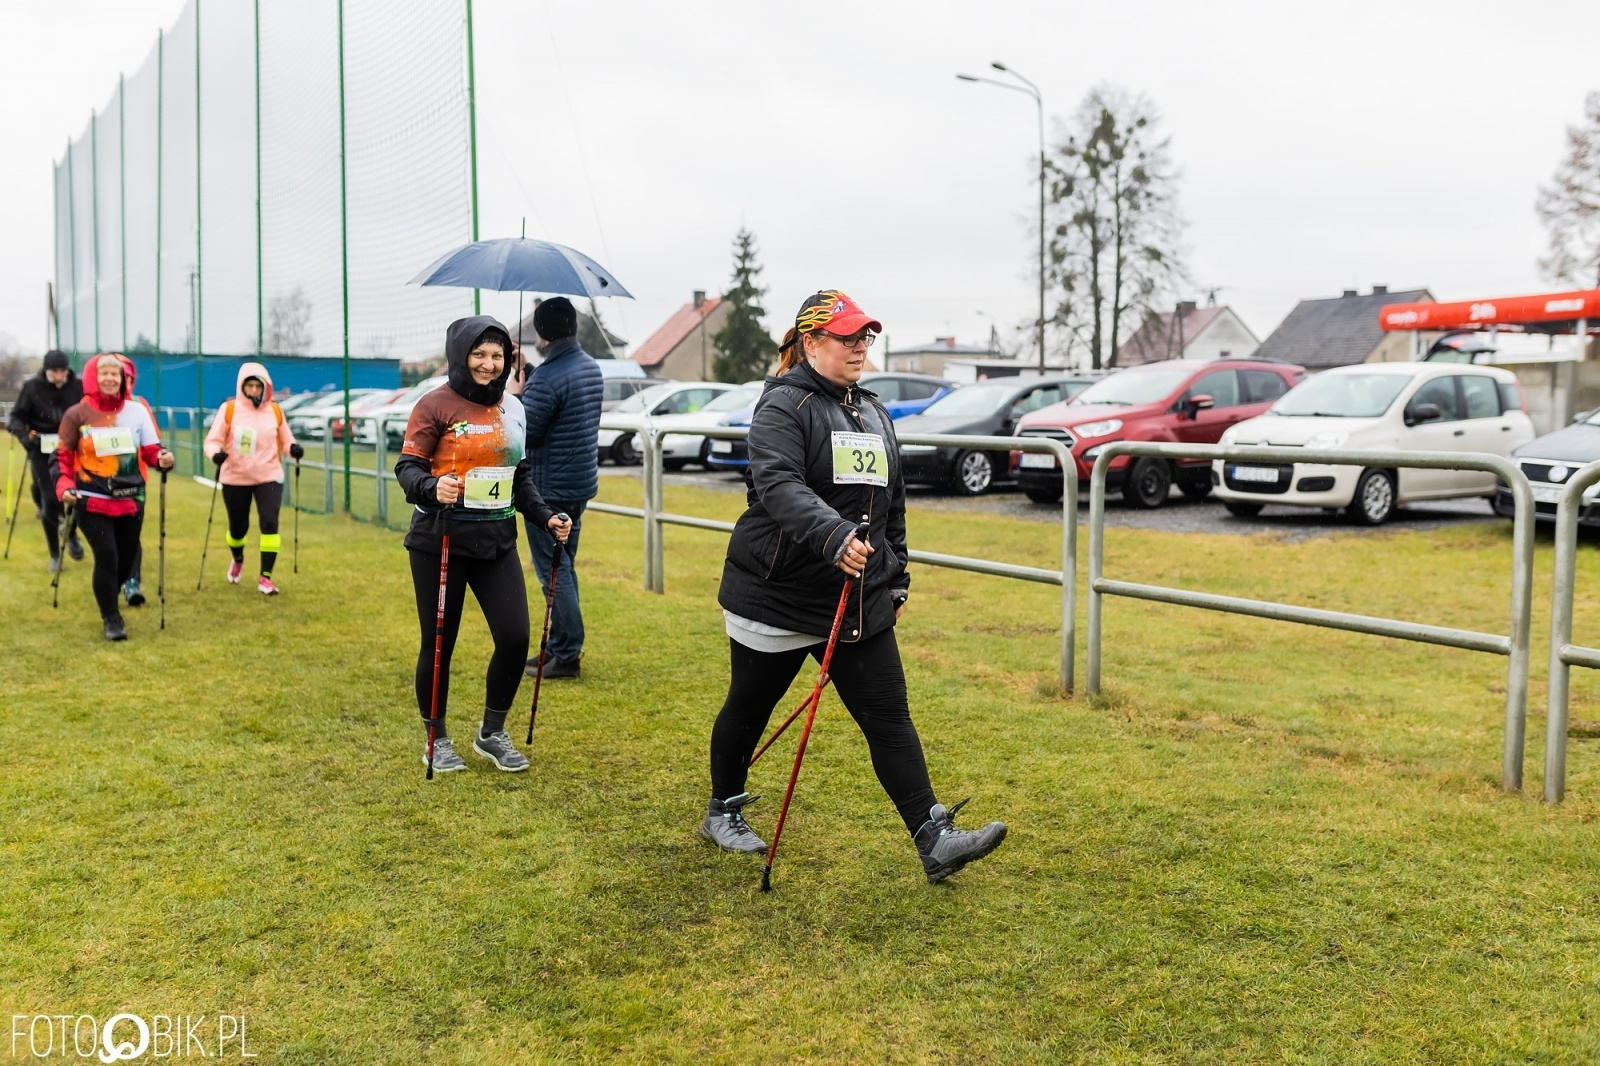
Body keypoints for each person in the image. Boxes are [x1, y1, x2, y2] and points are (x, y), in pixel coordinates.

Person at [703, 290, 1007, 884]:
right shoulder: (782, 408)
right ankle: (725, 809)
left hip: (856, 596)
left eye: (865, 337)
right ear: (811, 342)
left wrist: (896, 574)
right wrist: (833, 535)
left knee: (889, 715)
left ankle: (934, 838)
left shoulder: (870, 408)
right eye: (847, 338)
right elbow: (778, 484)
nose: (860, 348)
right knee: (749, 706)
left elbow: (889, 503)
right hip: (778, 591)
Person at [396, 315, 572, 773]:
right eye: (479, 354)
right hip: (441, 541)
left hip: (497, 541)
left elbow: (520, 476)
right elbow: (408, 468)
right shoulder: (433, 404)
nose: (489, 364)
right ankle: (436, 738)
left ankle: (491, 732)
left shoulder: (514, 408)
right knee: (439, 643)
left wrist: (546, 514)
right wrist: (432, 488)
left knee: (515, 638)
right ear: (461, 355)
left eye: (497, 355)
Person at [55, 352, 175, 641]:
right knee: (106, 556)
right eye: (104, 373)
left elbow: (150, 449)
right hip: (91, 498)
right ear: (92, 378)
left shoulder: (136, 411)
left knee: (126, 558)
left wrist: (161, 458)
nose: (110, 379)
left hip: (131, 498)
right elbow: (63, 456)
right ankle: (111, 618)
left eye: (115, 374)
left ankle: (110, 593)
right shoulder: (77, 414)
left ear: (123, 380)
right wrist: (64, 485)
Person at [519, 297, 603, 680]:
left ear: (542, 332)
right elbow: (559, 395)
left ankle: (566, 653)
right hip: (578, 485)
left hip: (547, 489)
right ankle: (558, 647)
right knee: (563, 565)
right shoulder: (587, 367)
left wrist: (520, 395)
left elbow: (529, 430)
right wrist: (531, 373)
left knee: (554, 571)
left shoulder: (548, 377)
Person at [202, 362, 304, 595]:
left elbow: (286, 439)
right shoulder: (229, 409)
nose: (255, 390)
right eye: (250, 385)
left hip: (269, 475)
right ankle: (237, 559)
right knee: (238, 529)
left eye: (259, 386)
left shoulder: (275, 411)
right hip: (235, 477)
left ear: (265, 387)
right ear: (242, 387)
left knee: (270, 522)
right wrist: (215, 454)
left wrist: (294, 448)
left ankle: (265, 577)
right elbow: (212, 441)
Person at [7, 349, 84, 570]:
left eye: (63, 371)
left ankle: (70, 533)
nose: (59, 376)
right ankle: (54, 555)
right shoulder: (32, 388)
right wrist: (25, 437)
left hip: (74, 449)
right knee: (50, 500)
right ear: (46, 370)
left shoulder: (78, 386)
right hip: (41, 451)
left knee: (80, 496)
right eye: (54, 372)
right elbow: (16, 418)